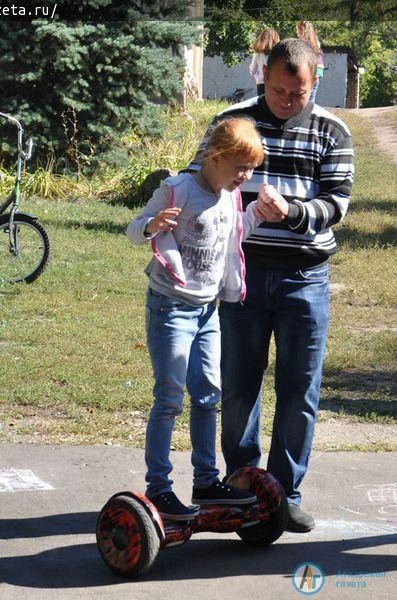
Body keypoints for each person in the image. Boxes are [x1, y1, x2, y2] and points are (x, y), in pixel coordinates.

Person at [186, 39, 354, 532]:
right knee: (239, 384)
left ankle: (285, 492)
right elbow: (201, 178)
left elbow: (338, 201)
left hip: (306, 276)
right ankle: (243, 488)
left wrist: (294, 213)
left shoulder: (332, 130)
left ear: (313, 83)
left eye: (297, 93)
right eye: (279, 90)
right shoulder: (233, 120)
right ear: (264, 78)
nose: (287, 100)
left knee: (300, 388)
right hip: (242, 273)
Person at [126, 118, 289, 521]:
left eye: (251, 169)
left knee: (208, 395)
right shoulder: (178, 190)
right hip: (171, 309)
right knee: (169, 398)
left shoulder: (230, 197)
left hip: (207, 311)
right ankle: (159, 489)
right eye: (240, 167)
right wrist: (152, 225)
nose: (246, 176)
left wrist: (257, 214)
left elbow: (233, 231)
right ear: (215, 157)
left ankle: (205, 479)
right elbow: (133, 230)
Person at [296, 20, 324, 102]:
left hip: (305, 77)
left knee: (301, 104)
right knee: (310, 104)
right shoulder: (316, 43)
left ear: (301, 30)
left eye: (297, 30)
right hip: (315, 77)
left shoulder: (300, 44)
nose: (297, 33)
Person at [249, 28, 280, 96]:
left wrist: (250, 67)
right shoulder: (278, 53)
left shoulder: (257, 53)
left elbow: (253, 72)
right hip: (275, 83)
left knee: (262, 105)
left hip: (261, 84)